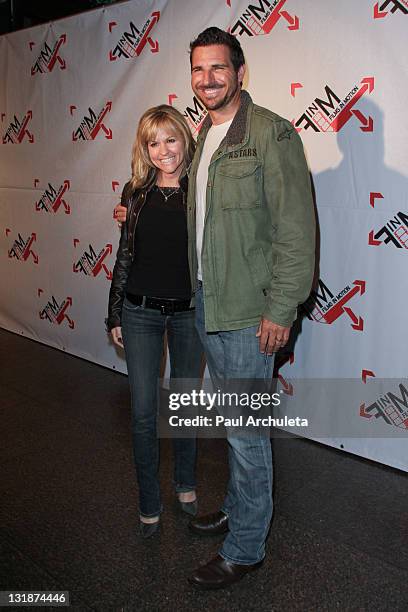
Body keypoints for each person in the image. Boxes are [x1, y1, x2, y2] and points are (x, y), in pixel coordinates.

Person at [115, 28, 315, 587]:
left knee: (245, 431)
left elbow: (296, 234)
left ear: (240, 70)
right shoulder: (201, 138)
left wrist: (280, 311)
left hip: (253, 315)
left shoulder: (271, 135)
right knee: (233, 424)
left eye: (218, 68)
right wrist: (134, 214)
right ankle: (237, 508)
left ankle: (246, 547)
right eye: (198, 70)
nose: (207, 79)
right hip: (207, 304)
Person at [107, 105, 203, 538]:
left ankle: (185, 484)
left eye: (171, 139)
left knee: (185, 406)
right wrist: (114, 313)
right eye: (153, 142)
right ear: (144, 148)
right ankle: (149, 501)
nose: (164, 150)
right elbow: (125, 254)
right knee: (144, 413)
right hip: (140, 311)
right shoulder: (135, 191)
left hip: (190, 313)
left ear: (185, 139)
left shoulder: (203, 189)